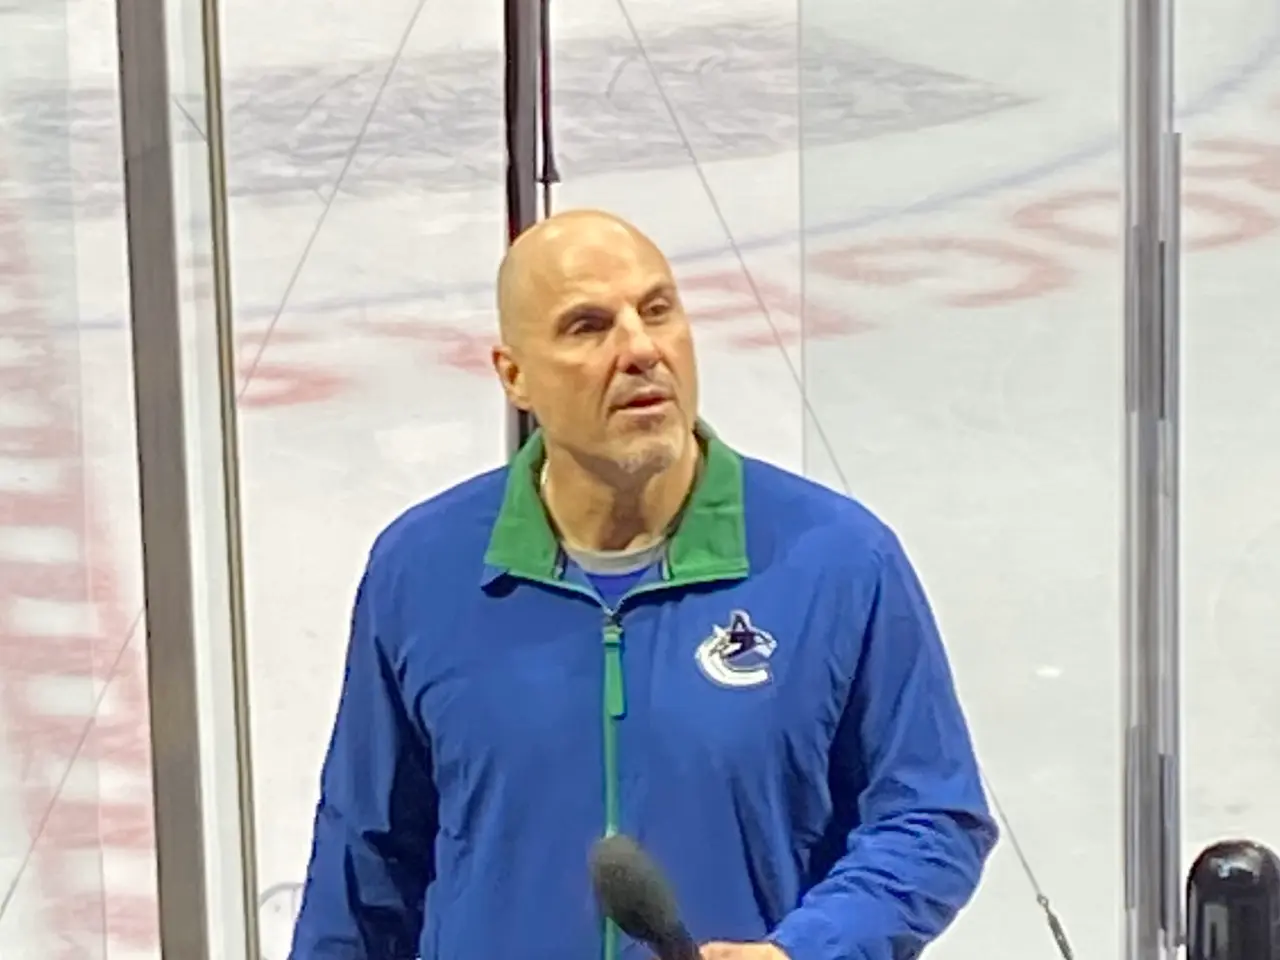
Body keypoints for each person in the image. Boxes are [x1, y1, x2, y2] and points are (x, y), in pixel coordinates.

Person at [288, 209, 998, 960]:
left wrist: (808, 948)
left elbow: (932, 818)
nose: (640, 349)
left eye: (657, 310)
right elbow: (362, 869)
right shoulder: (422, 570)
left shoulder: (838, 559)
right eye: (588, 326)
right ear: (515, 375)